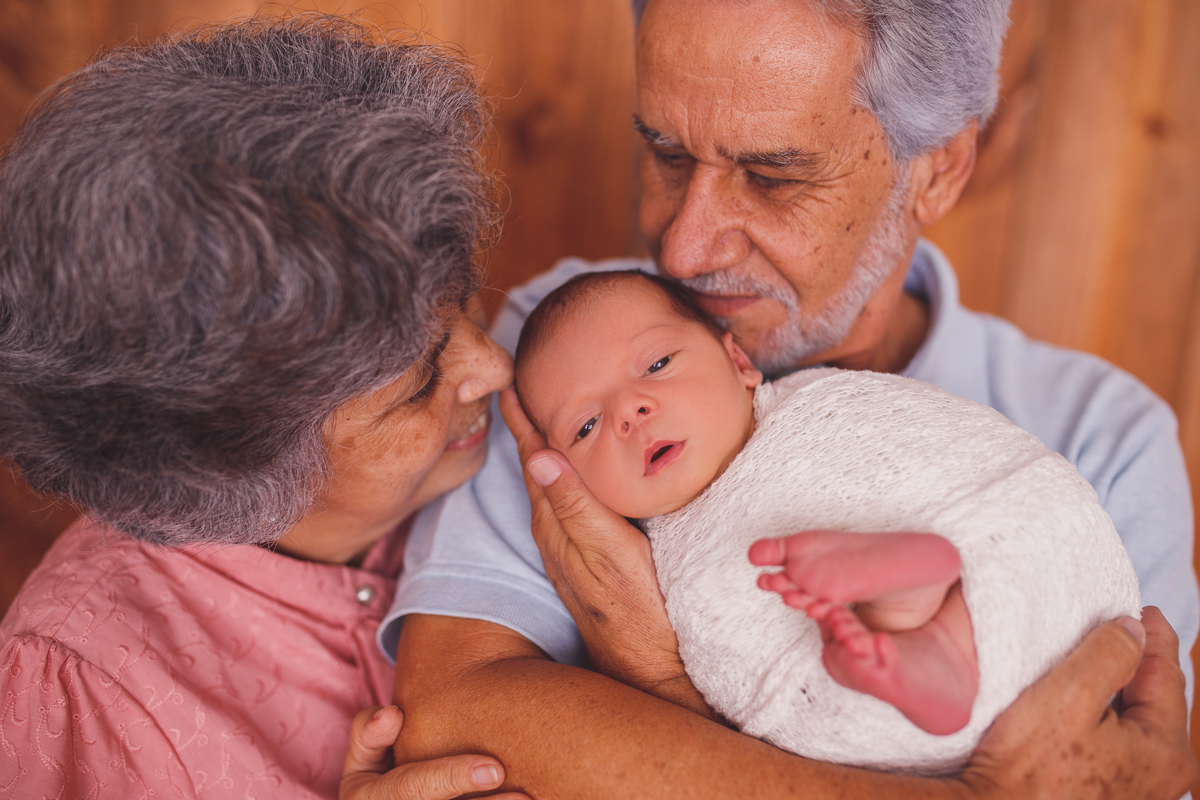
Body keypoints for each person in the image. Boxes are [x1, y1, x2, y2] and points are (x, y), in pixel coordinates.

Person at [381, 0, 1199, 797]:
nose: (684, 249)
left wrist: (660, 681)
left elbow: (1122, 780)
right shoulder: (572, 348)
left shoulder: (1101, 440)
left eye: (772, 177)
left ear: (939, 169)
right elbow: (457, 715)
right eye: (667, 154)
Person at [0, 16, 528, 800]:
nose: (493, 366)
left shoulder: (537, 447)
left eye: (465, 300)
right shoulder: (84, 684)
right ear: (232, 463)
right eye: (421, 382)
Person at [510, 268, 1139, 774]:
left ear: (740, 362)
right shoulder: (628, 569)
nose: (630, 411)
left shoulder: (815, 406)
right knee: (857, 676)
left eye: (656, 365)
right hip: (930, 738)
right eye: (585, 426)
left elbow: (927, 449)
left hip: (1026, 564)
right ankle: (923, 640)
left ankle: (917, 595)